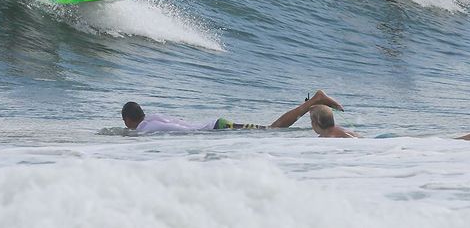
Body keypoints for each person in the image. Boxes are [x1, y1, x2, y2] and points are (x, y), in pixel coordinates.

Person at [121, 90, 343, 134]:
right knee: (271, 129)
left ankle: (315, 100)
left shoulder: (147, 127)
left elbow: (177, 128)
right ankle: (313, 103)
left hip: (217, 128)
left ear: (128, 119)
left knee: (272, 129)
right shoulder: (150, 119)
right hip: (216, 125)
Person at [308, 106, 470, 141]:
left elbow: (350, 139)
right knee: (431, 142)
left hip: (382, 143)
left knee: (433, 144)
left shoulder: (329, 136)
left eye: (310, 120)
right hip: (382, 140)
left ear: (315, 122)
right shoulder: (333, 131)